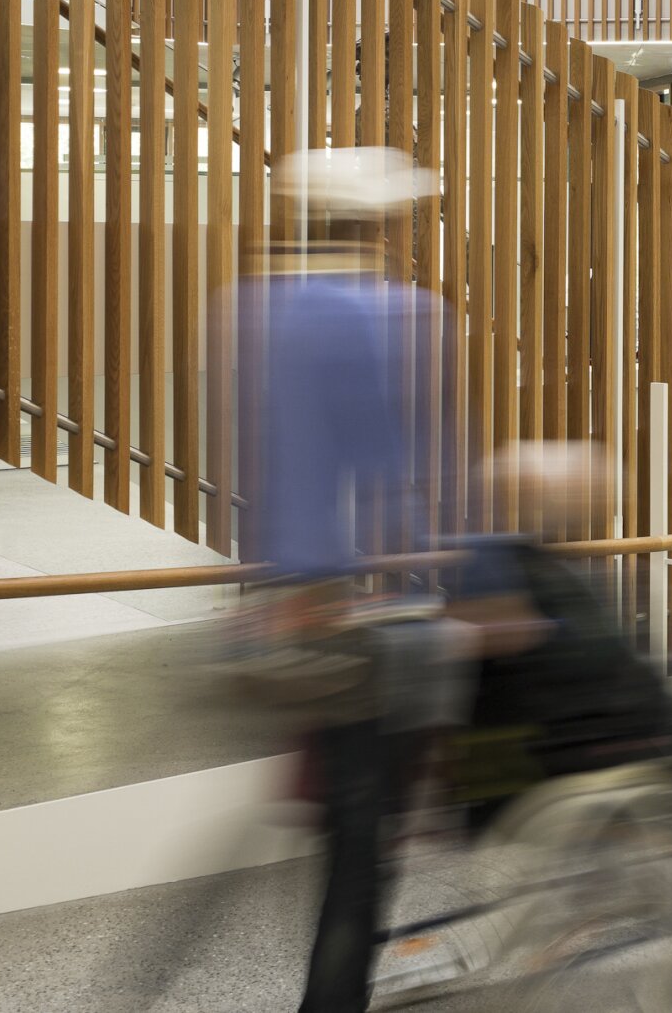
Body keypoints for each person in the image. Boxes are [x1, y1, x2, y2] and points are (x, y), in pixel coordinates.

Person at [239, 146, 447, 1013]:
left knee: (343, 818)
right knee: (363, 840)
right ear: (379, 224)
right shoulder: (383, 310)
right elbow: (389, 461)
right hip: (348, 612)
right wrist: (442, 563)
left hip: (277, 604)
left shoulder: (255, 306)